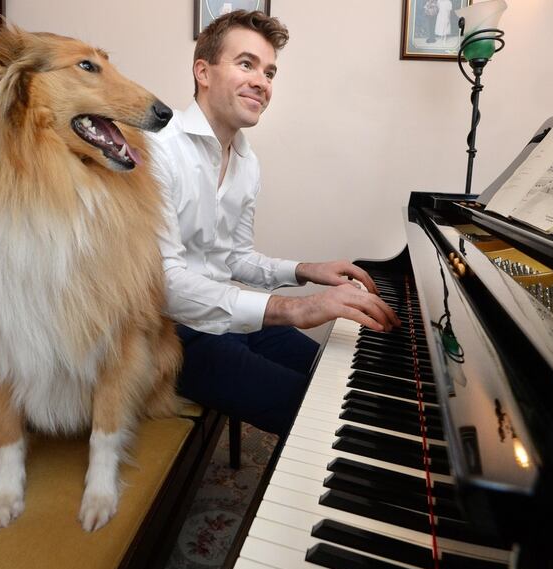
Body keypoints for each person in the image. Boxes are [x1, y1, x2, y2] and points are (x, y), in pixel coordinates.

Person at [147, 10, 400, 437]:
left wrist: (304, 271)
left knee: (343, 381)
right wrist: (295, 308)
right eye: (246, 64)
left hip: (229, 316)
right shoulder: (159, 148)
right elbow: (164, 284)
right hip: (172, 336)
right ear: (202, 72)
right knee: (320, 419)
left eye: (269, 71)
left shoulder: (246, 161)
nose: (263, 82)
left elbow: (235, 257)